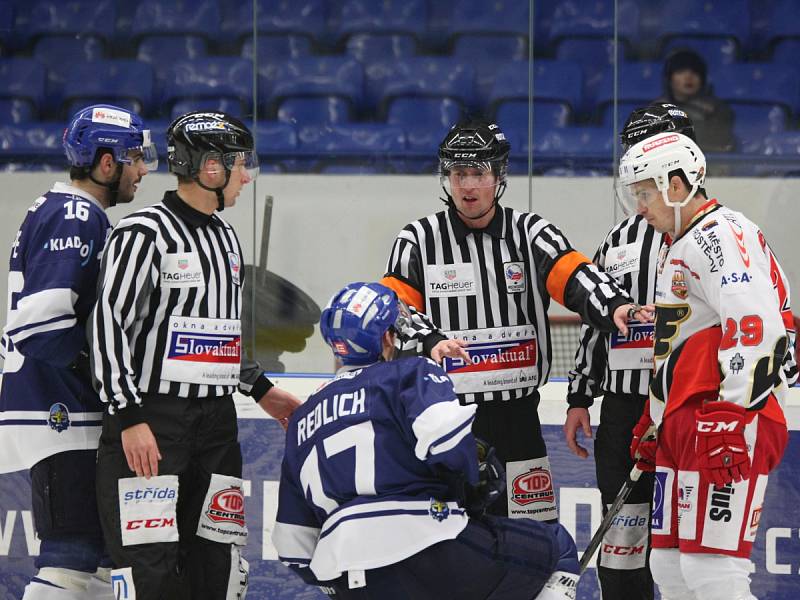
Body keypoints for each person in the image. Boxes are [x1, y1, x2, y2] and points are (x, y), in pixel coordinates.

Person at [381, 116, 652, 520]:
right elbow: (395, 311)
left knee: (533, 536)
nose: (468, 185)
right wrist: (430, 340)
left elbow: (577, 277)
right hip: (446, 419)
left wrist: (616, 307)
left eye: (478, 172)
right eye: (458, 173)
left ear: (500, 173)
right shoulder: (417, 239)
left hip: (519, 420)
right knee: (450, 541)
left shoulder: (532, 233)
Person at [90, 111, 302, 600]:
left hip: (215, 426)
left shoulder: (225, 237)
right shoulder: (143, 232)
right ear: (210, 168)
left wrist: (262, 391)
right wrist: (128, 417)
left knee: (217, 562)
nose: (247, 175)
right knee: (150, 567)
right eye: (240, 164)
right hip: (153, 423)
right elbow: (107, 325)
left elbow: (221, 333)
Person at [272, 281, 580, 600]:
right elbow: (447, 440)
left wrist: (342, 571)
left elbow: (292, 544)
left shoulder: (300, 420)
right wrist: (469, 486)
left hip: (345, 573)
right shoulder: (408, 374)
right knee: (556, 546)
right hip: (429, 545)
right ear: (387, 338)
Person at [618, 132, 794, 600]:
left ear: (676, 185)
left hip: (725, 420)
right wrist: (654, 419)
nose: (640, 207)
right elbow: (676, 345)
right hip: (686, 421)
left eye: (645, 193)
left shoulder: (719, 236)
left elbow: (756, 325)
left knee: (712, 571)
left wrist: (732, 418)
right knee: (670, 566)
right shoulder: (679, 243)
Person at [0, 104, 156, 599]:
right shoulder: (77, 213)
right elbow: (41, 323)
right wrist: (101, 370)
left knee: (94, 567)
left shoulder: (62, 209)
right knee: (72, 559)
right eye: (134, 157)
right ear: (104, 163)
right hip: (62, 410)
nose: (143, 169)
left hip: (58, 407)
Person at [655, 48, 735, 153]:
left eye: (695, 72)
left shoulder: (718, 110)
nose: (688, 77)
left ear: (702, 79)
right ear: (669, 79)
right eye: (680, 72)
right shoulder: (655, 111)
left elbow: (720, 146)